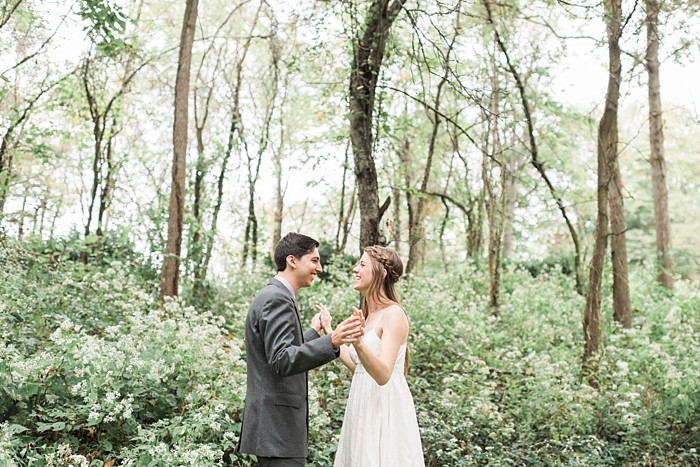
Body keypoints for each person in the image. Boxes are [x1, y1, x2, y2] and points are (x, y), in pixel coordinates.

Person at [237, 232, 362, 466]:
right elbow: (282, 360)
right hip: (278, 430)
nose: (320, 268)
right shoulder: (278, 298)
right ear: (292, 261)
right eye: (314, 260)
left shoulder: (276, 295)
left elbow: (278, 353)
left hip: (276, 431)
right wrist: (332, 341)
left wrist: (314, 332)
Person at [317, 245, 425, 467]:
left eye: (362, 264)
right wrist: (331, 333)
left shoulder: (393, 314)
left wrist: (357, 341)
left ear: (381, 273)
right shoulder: (370, 314)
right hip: (362, 401)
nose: (356, 269)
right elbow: (359, 366)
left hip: (384, 407)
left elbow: (383, 373)